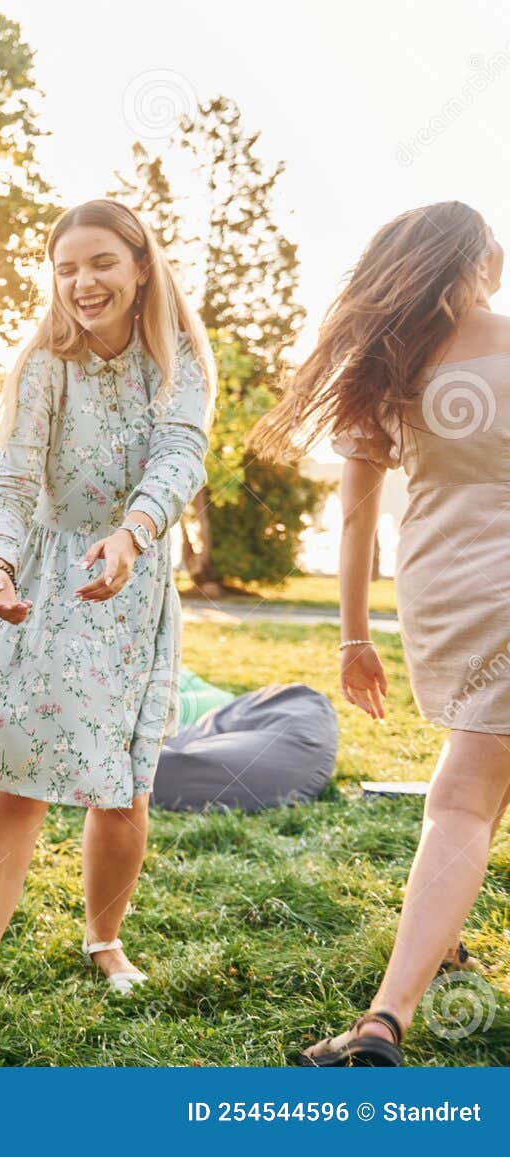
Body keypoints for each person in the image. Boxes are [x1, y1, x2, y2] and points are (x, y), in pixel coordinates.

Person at [0, 199, 214, 1064]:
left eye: (102, 263)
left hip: (131, 581)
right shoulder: (47, 364)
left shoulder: (178, 362)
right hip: (46, 585)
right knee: (17, 782)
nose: (83, 282)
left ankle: (102, 937)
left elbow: (178, 457)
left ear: (141, 267)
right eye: (67, 266)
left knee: (124, 788)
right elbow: (9, 482)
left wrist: (133, 534)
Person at [250, 202, 510, 1066]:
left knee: (469, 796)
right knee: (470, 796)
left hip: (448, 592)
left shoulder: (383, 368)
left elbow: (355, 520)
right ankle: (388, 1013)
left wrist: (352, 638)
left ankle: (398, 1000)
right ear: (477, 263)